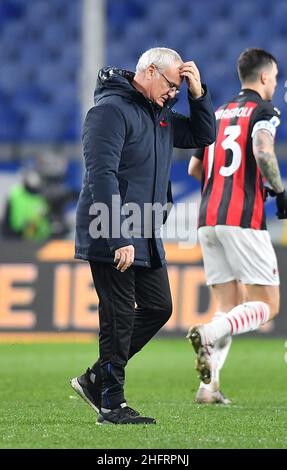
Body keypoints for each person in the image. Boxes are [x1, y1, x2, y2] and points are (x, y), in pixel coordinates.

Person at [70, 47, 216, 424]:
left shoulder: (159, 115)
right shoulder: (109, 111)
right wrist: (119, 237)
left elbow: (204, 134)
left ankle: (94, 378)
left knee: (158, 307)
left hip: (146, 229)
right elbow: (100, 175)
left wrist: (199, 94)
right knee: (117, 317)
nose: (173, 94)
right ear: (149, 72)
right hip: (110, 228)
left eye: (179, 90)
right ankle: (111, 404)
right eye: (171, 85)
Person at [187, 48, 287, 404]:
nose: (275, 83)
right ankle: (209, 332)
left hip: (208, 218)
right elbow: (262, 151)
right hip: (243, 218)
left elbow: (194, 170)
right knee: (268, 305)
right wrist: (278, 189)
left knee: (228, 305)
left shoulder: (216, 113)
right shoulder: (264, 110)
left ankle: (208, 387)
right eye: (274, 77)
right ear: (263, 77)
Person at [1, 169, 51, 241]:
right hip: (15, 238)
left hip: (39, 240)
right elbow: (7, 219)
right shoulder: (15, 194)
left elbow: (46, 220)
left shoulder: (44, 196)